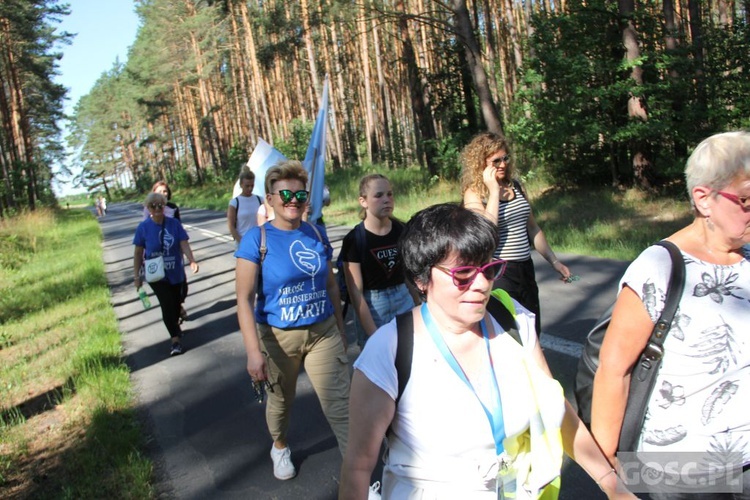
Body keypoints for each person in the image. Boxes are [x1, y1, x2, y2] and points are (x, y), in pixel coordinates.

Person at [339, 203, 635, 500]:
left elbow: (553, 405)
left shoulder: (512, 319)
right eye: (464, 274)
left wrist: (610, 482)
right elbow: (358, 467)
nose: (481, 285)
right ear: (421, 279)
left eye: (489, 269)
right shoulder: (390, 351)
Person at [591, 131, 750, 499]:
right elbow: (614, 372)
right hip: (683, 470)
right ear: (703, 199)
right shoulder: (661, 266)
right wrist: (608, 478)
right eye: (745, 199)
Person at [235, 160, 350, 481]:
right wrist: (253, 352)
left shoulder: (316, 232)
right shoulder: (255, 240)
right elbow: (243, 300)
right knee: (281, 404)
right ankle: (280, 445)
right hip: (278, 337)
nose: (293, 200)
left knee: (341, 409)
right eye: (284, 193)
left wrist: (340, 329)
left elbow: (330, 285)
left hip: (322, 332)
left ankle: (363, 481)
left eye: (300, 195)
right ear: (269, 199)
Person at [462, 132, 572, 336]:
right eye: (496, 161)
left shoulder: (516, 186)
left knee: (532, 329)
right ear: (481, 163)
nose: (503, 164)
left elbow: (533, 228)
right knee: (510, 334)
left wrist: (555, 262)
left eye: (505, 158)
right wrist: (493, 192)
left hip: (525, 268)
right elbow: (485, 232)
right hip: (499, 271)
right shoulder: (474, 193)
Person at [340, 174, 418, 349]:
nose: (386, 200)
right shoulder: (354, 239)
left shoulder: (402, 230)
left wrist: (419, 304)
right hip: (373, 304)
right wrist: (374, 335)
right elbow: (356, 293)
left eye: (390, 194)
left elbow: (408, 275)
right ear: (363, 201)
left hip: (403, 299)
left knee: (410, 356)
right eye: (378, 195)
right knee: (378, 364)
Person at [133, 192, 199, 357]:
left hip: (175, 271)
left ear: (164, 206)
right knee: (166, 304)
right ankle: (174, 340)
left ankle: (175, 322)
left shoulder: (174, 224)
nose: (157, 209)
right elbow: (138, 252)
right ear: (148, 209)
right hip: (156, 275)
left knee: (176, 303)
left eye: (160, 205)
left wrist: (191, 260)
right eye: (153, 206)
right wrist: (136, 276)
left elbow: (183, 243)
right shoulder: (143, 228)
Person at [144, 181, 188, 322]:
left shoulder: (173, 208)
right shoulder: (148, 208)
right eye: (160, 191)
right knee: (165, 288)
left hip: (173, 250)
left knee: (182, 285)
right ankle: (174, 318)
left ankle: (178, 305)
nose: (163, 194)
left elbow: (179, 226)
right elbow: (146, 229)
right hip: (157, 254)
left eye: (165, 191)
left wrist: (184, 250)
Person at [227, 168, 264, 243]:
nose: (250, 188)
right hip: (243, 240)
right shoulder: (235, 203)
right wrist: (240, 241)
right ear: (241, 185)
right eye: (247, 186)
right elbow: (231, 225)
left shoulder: (259, 200)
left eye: (252, 185)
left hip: (258, 241)